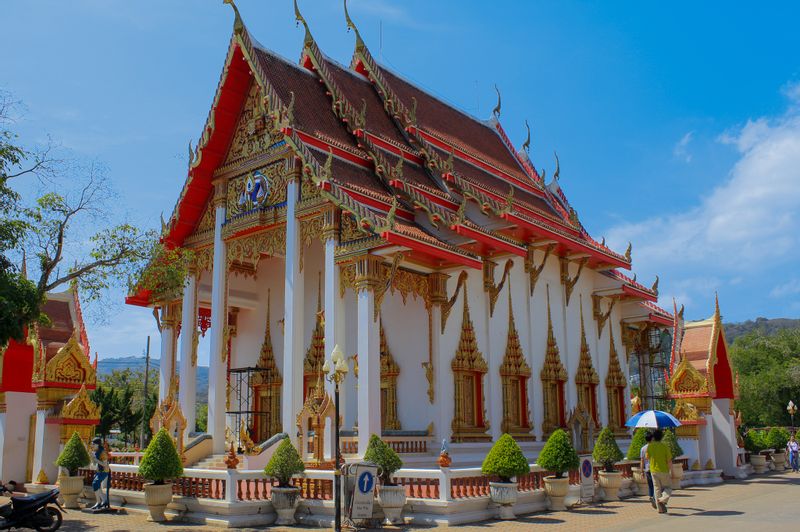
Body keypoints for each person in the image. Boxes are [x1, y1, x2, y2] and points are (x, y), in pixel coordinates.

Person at [646, 429, 672, 514]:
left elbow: (647, 457)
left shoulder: (649, 446)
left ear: (653, 437)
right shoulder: (664, 446)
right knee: (667, 487)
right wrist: (671, 470)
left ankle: (659, 509)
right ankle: (662, 499)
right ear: (661, 437)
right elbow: (669, 460)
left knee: (657, 489)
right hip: (663, 470)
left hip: (653, 470)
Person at [90, 437, 110, 510]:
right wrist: (92, 459)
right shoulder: (96, 452)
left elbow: (104, 464)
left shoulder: (102, 453)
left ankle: (98, 502)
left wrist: (95, 459)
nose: (92, 446)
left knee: (95, 483)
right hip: (99, 471)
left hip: (104, 471)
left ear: (98, 445)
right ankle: (104, 500)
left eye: (93, 444)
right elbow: (95, 463)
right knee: (96, 485)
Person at [640, 431, 655, 508]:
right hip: (655, 469)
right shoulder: (655, 447)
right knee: (657, 485)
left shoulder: (643, 449)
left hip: (647, 469)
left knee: (650, 485)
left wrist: (641, 471)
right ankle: (655, 498)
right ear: (652, 438)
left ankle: (651, 496)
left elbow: (642, 461)